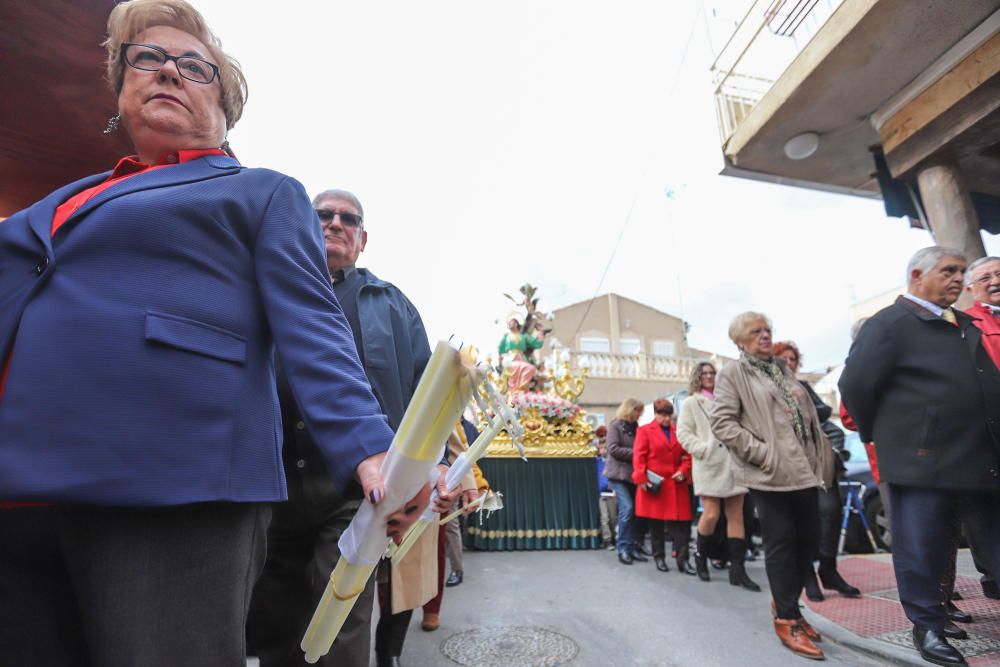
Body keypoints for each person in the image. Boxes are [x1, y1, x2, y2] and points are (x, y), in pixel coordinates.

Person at [0, 4, 431, 665]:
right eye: (147, 59)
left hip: (173, 481)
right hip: (20, 487)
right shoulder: (62, 203)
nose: (168, 70)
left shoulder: (259, 193)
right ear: (120, 91)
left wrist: (373, 452)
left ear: (224, 108)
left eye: (193, 66)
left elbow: (313, 322)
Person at [246, 187, 455, 667]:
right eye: (323, 215)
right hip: (271, 486)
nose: (335, 223)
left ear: (363, 239)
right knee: (275, 622)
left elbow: (428, 393)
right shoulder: (266, 286)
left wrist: (438, 466)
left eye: (348, 219)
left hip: (354, 491)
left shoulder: (393, 306)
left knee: (341, 619)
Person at [840, 246, 1000, 667]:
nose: (957, 278)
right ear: (916, 275)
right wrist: (893, 437)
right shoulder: (890, 324)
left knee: (992, 540)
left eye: (962, 271)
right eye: (948, 270)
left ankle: (947, 615)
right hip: (921, 459)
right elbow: (856, 386)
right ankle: (927, 627)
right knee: (922, 547)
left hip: (979, 453)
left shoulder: (963, 324)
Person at [711, 312, 833, 661]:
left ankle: (786, 601)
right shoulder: (734, 373)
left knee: (809, 541)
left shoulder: (781, 368)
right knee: (782, 544)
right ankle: (787, 618)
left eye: (767, 330)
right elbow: (723, 423)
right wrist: (763, 453)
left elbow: (803, 414)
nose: (765, 335)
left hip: (804, 469)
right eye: (756, 331)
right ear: (739, 340)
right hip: (771, 474)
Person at [773, 341, 861, 603]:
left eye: (792, 358)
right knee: (802, 521)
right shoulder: (770, 389)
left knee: (831, 512)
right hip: (792, 462)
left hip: (820, 458)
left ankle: (828, 568)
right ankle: (807, 574)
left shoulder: (803, 387)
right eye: (784, 359)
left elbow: (823, 412)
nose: (789, 363)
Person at [677, 361, 759, 590]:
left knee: (737, 515)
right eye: (704, 373)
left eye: (713, 373)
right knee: (711, 514)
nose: (709, 376)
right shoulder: (691, 403)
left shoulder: (728, 399)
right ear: (697, 377)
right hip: (709, 464)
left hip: (734, 462)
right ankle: (701, 556)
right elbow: (683, 433)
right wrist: (703, 449)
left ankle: (738, 569)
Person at [963, 256, 1000, 600]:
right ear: (971, 288)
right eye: (986, 276)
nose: (995, 280)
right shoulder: (967, 326)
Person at [633, 399, 696, 574]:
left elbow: (689, 454)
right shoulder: (645, 431)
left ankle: (683, 560)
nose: (667, 418)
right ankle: (659, 557)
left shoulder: (680, 432)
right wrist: (641, 478)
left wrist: (684, 470)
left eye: (669, 415)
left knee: (682, 526)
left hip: (677, 484)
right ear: (656, 414)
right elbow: (639, 457)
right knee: (656, 526)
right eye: (663, 415)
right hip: (656, 484)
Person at [605, 398, 647, 565]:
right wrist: (637, 453)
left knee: (635, 512)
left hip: (633, 475)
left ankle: (631, 547)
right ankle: (622, 548)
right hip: (618, 475)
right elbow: (613, 449)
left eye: (640, 411)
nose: (639, 414)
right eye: (636, 410)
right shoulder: (615, 426)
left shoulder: (637, 428)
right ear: (629, 410)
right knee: (627, 509)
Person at [498, 317, 544, 392]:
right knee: (511, 371)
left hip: (521, 359)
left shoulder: (524, 336)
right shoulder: (506, 336)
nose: (509, 324)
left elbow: (537, 343)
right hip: (509, 360)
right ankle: (512, 389)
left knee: (531, 368)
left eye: (511, 322)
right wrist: (500, 361)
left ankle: (522, 388)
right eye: (509, 323)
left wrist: (541, 332)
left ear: (516, 324)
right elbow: (500, 349)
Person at [594, 425, 619, 550]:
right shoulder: (596, 461)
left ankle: (614, 537)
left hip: (611, 492)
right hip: (601, 493)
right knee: (604, 517)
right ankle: (607, 539)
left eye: (605, 448)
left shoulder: (613, 460)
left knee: (613, 518)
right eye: (601, 448)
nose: (603, 450)